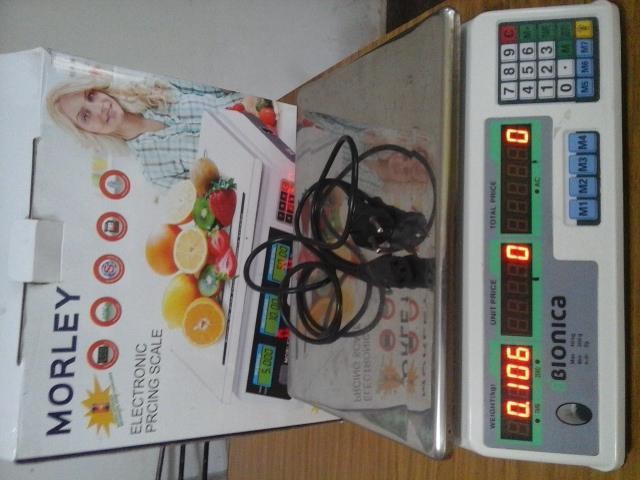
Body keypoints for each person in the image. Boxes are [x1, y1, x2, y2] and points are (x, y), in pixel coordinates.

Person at [47, 76, 252, 188]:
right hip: (254, 164)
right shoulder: (154, 172)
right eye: (85, 116)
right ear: (85, 132)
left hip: (262, 109)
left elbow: (227, 84)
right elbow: (214, 193)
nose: (98, 108)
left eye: (91, 96)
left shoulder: (159, 84)